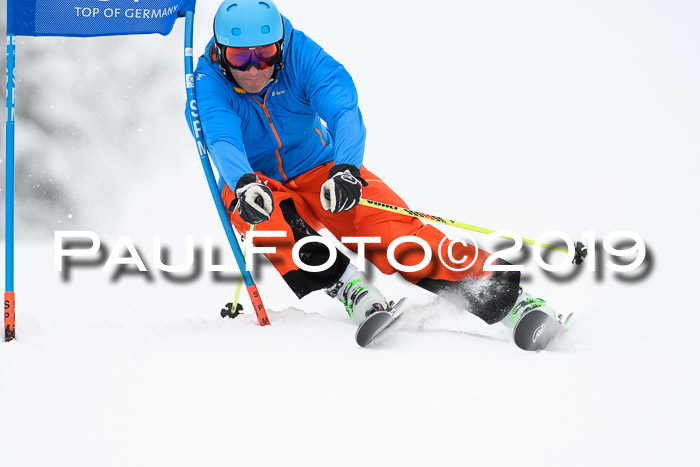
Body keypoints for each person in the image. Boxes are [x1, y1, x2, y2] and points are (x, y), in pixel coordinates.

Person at [188, 0, 562, 338]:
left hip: (321, 167)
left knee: (391, 232)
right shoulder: (208, 81)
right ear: (222, 54)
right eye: (240, 59)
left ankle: (502, 294)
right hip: (257, 181)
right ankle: (349, 287)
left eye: (265, 55)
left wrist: (346, 169)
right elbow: (221, 137)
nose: (254, 69)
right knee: (261, 217)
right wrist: (241, 181)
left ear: (281, 47)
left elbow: (343, 109)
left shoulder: (302, 55)